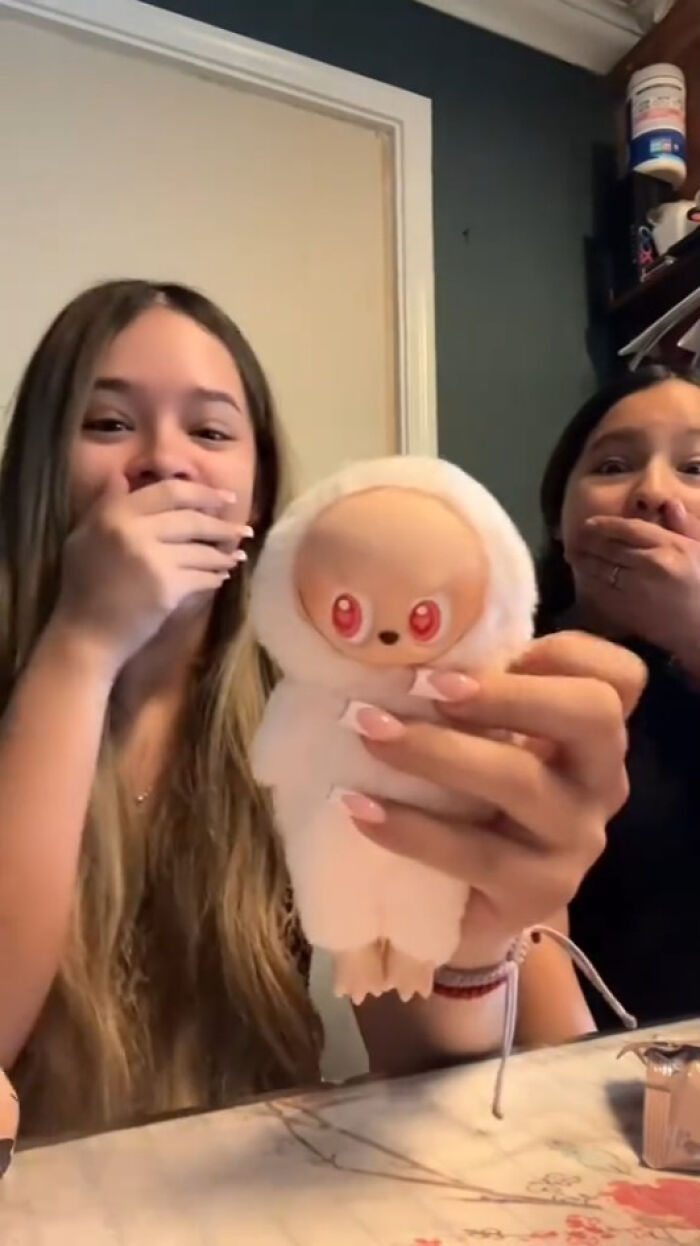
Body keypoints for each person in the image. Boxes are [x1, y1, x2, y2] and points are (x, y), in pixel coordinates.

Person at [0, 279, 642, 1139]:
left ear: (259, 497)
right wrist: (81, 645)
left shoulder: (319, 713)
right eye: (108, 423)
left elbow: (426, 1062)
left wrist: (468, 945)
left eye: (211, 432)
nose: (164, 461)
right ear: (38, 469)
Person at [537, 364, 700, 1029]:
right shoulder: (505, 666)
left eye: (696, 468)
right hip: (561, 1066)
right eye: (611, 466)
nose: (654, 493)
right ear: (559, 519)